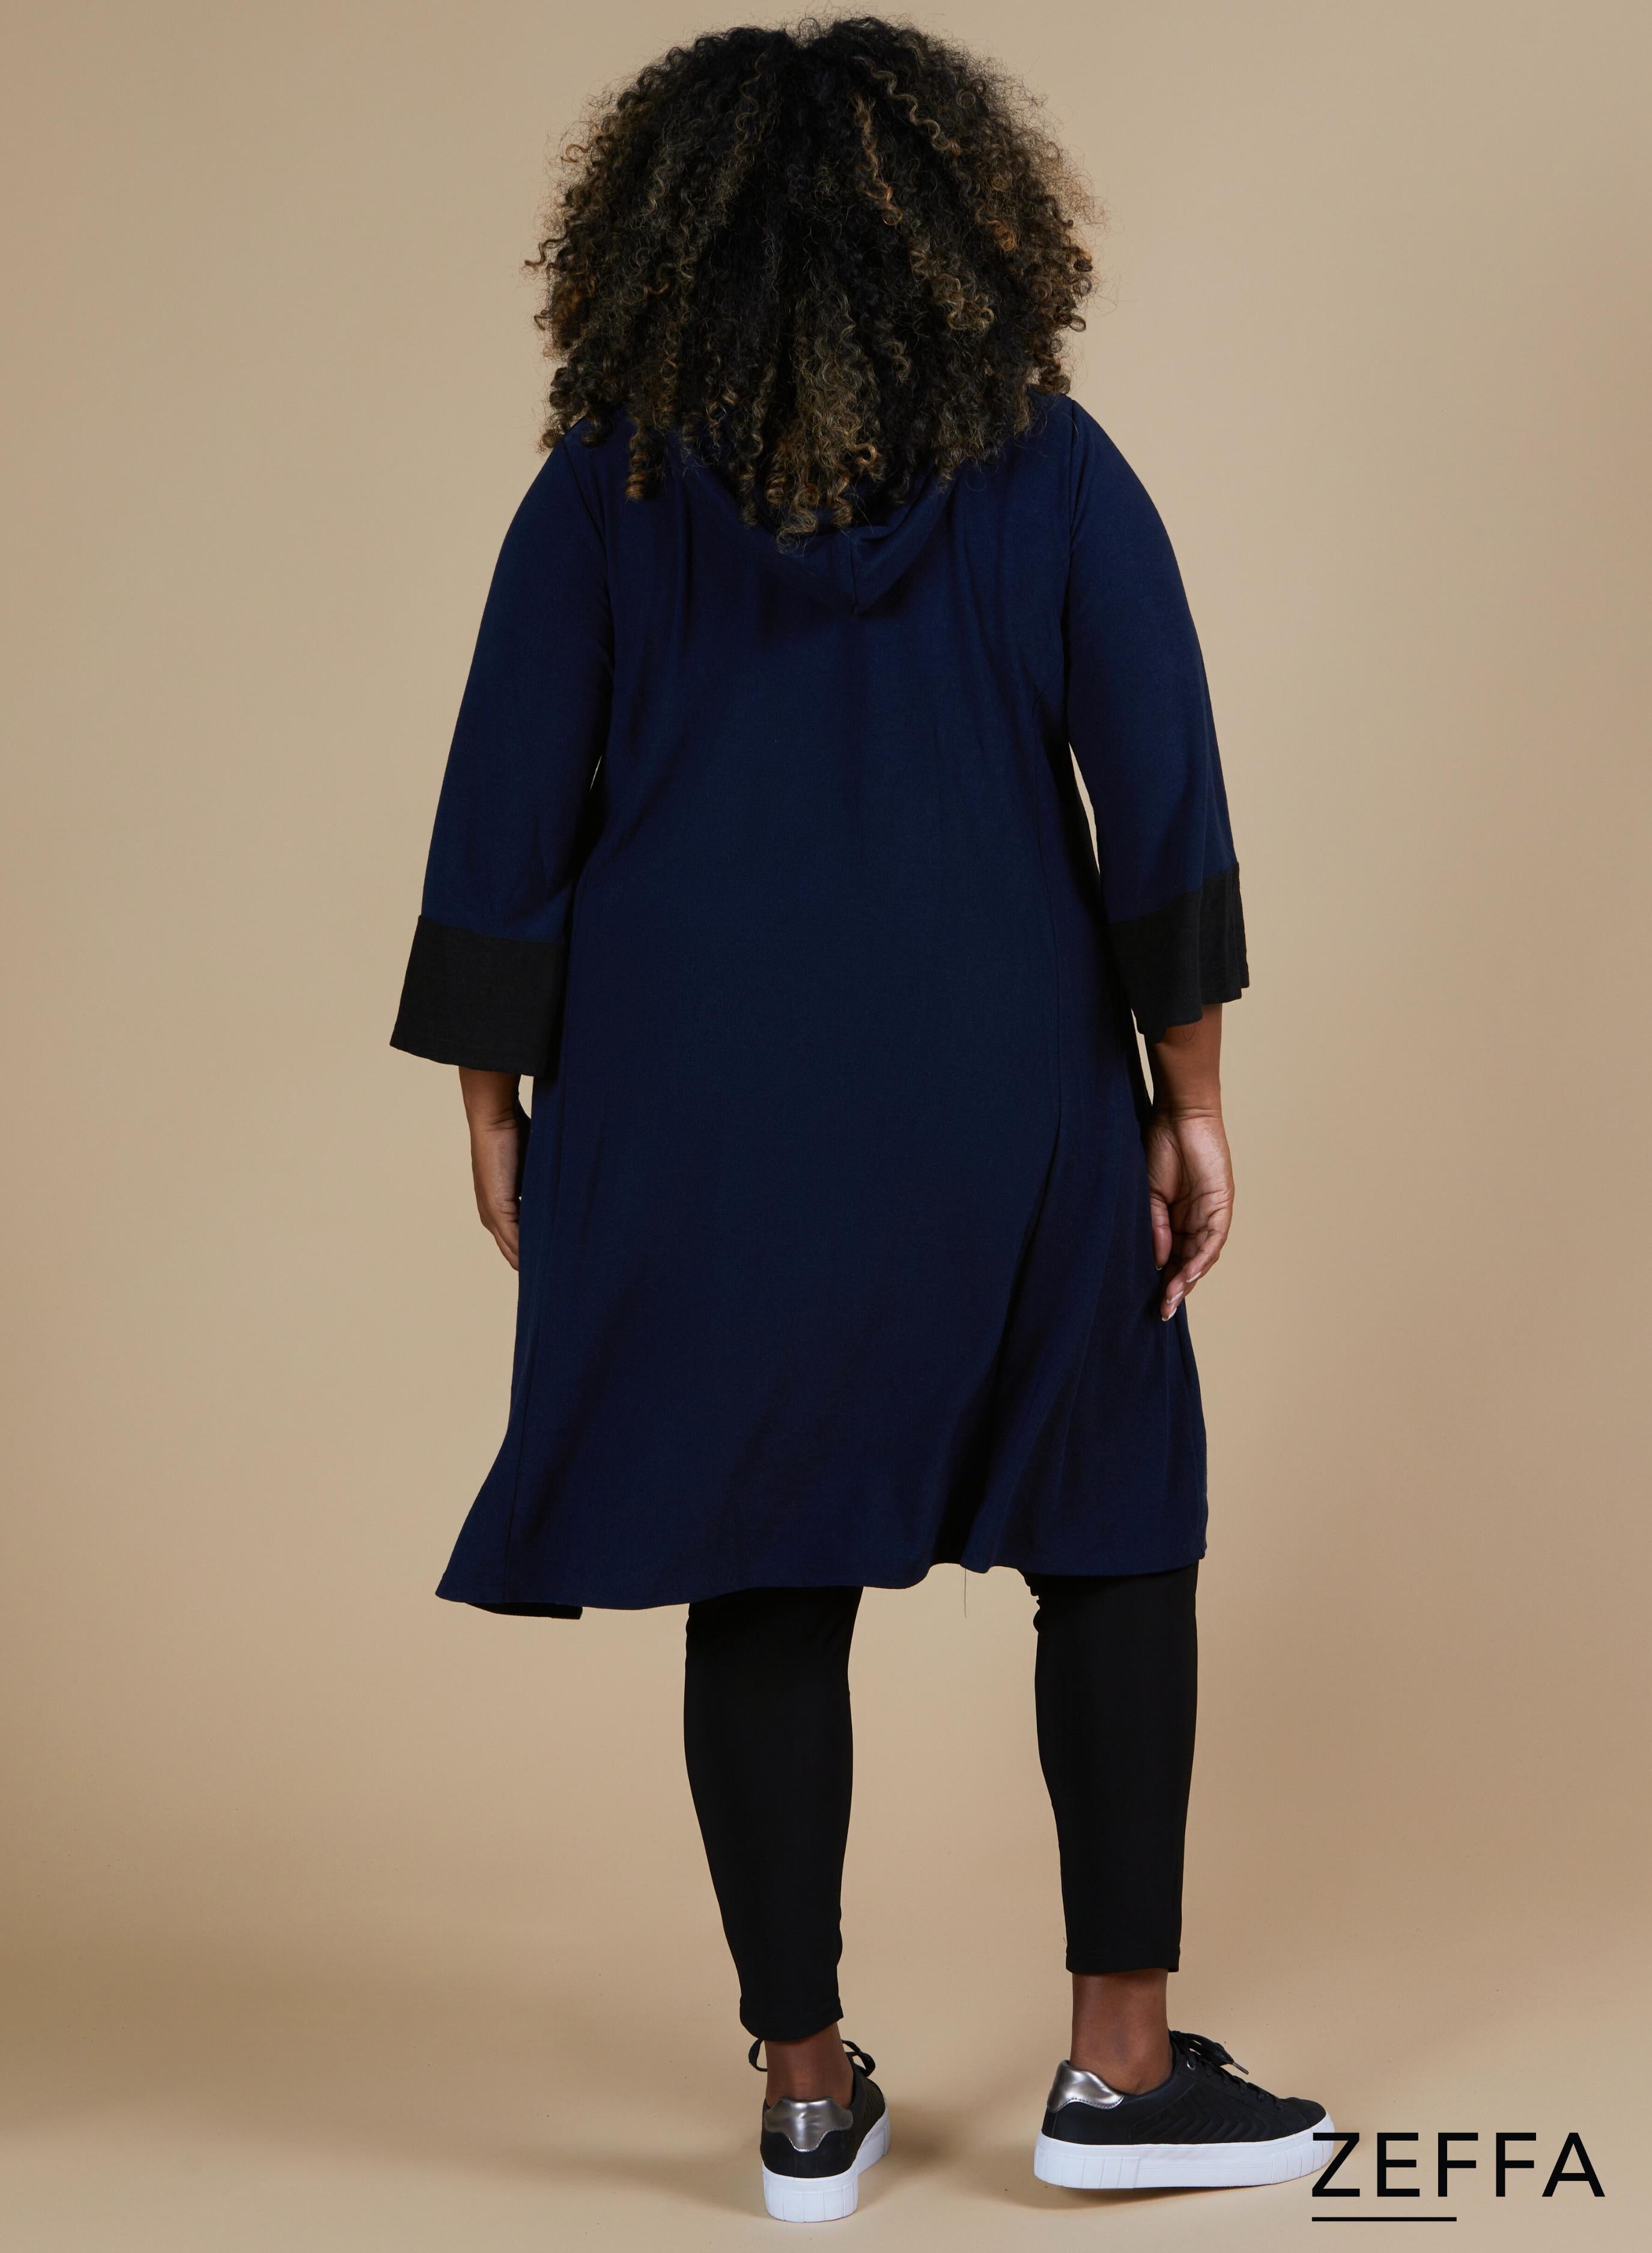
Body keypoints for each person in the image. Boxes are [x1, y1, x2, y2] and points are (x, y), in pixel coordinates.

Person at [391, 16, 1329, 2221]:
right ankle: (1121, 2073)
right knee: (1116, 1520)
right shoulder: (1053, 470)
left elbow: (504, 807)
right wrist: (1190, 1102)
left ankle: (807, 2096)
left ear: (661, 241)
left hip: (689, 1112)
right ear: (962, 234)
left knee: (762, 1546)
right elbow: (1162, 795)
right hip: (1008, 1099)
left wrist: (495, 1101)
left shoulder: (605, 485)